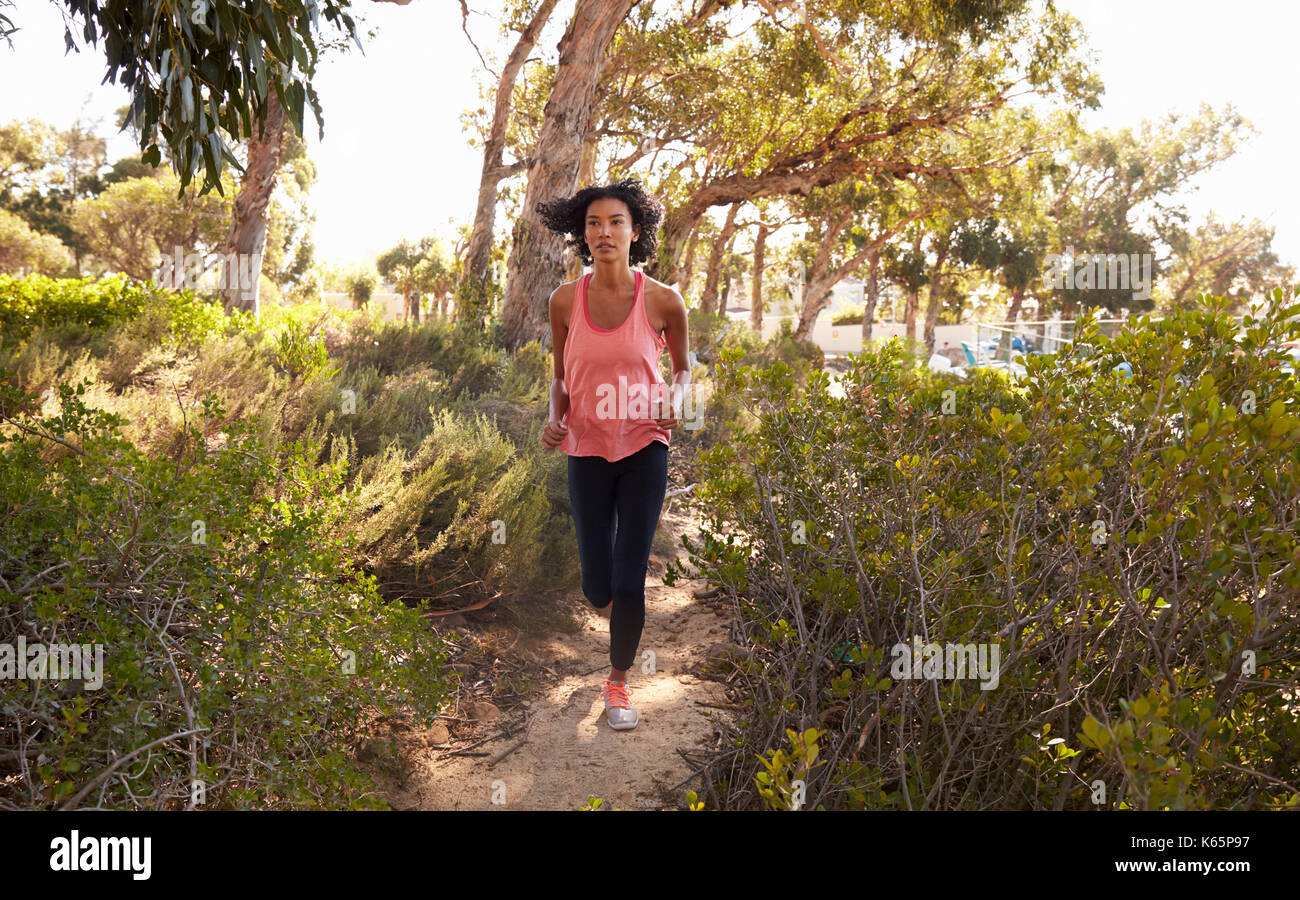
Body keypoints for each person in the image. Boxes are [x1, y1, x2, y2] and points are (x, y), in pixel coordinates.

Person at [538, 178, 691, 731]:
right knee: (596, 586)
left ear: (636, 231)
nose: (604, 232)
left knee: (628, 580)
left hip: (645, 446)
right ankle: (615, 612)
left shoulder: (663, 299)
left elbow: (683, 370)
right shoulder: (563, 300)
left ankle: (619, 682)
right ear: (583, 235)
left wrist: (675, 401)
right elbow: (560, 380)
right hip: (586, 449)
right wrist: (555, 418)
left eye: (616, 222)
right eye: (594, 224)